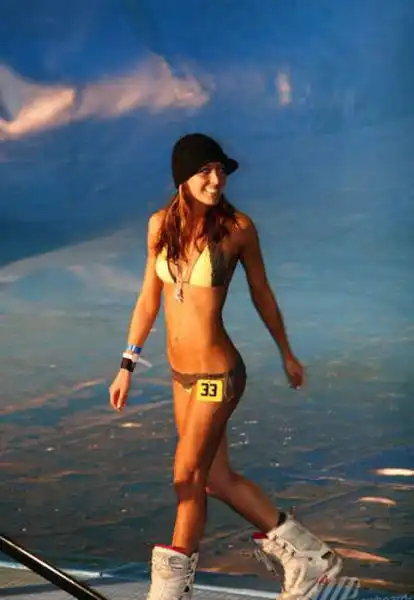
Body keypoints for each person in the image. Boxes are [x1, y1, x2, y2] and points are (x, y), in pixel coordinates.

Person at [109, 133, 343, 600]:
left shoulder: (238, 228)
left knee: (187, 477)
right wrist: (127, 364)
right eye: (205, 172)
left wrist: (286, 351)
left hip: (218, 376)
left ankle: (170, 593)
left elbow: (262, 293)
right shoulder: (159, 226)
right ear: (183, 178)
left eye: (221, 171)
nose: (216, 181)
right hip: (181, 376)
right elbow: (148, 299)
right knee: (216, 479)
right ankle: (311, 557)